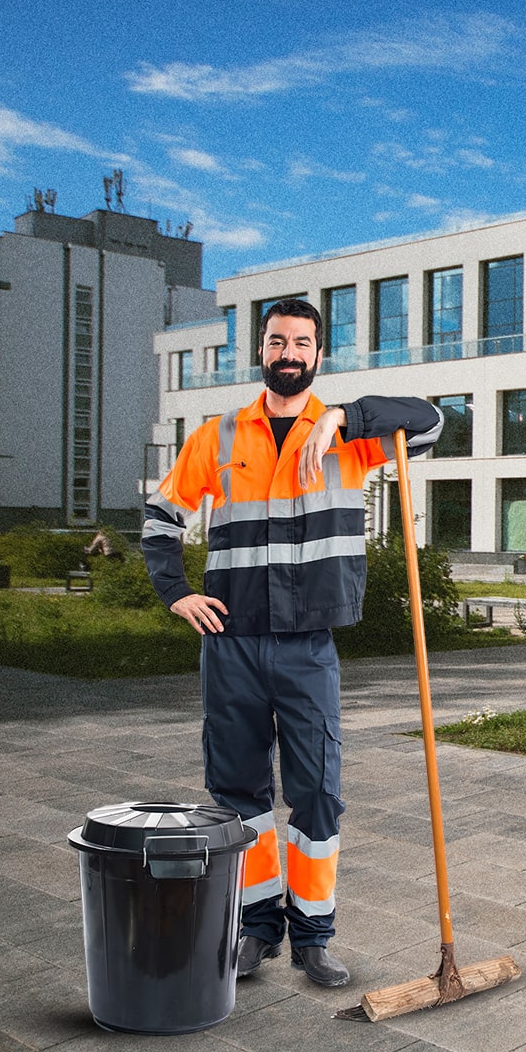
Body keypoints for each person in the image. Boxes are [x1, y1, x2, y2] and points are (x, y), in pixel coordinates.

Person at [140, 297, 442, 988]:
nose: (289, 353)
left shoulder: (351, 439)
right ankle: (254, 928)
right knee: (237, 791)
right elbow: (160, 518)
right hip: (233, 642)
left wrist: (343, 415)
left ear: (318, 354)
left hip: (307, 647)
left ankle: (312, 935)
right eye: (278, 341)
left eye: (302, 343)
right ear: (261, 350)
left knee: (317, 793)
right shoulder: (216, 438)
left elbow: (433, 421)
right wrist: (175, 591)